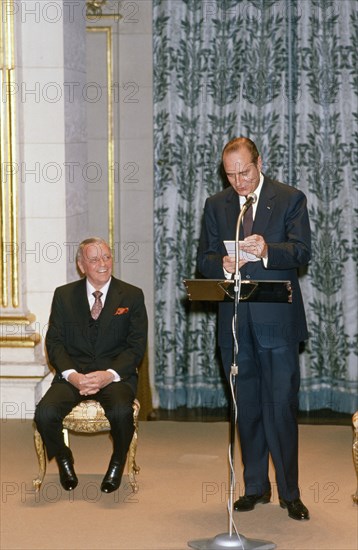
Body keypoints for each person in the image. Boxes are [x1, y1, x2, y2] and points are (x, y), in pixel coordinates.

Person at [197, 137, 311, 521]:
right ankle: (255, 487)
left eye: (244, 172)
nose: (239, 182)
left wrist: (266, 251)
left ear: (259, 163)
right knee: (245, 409)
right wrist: (225, 265)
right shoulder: (217, 205)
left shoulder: (290, 198)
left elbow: (301, 251)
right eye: (230, 175)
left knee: (280, 409)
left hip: (277, 324)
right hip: (234, 325)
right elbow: (205, 260)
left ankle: (290, 493)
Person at [35, 237, 148, 493]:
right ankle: (64, 458)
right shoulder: (63, 295)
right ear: (81, 265)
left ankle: (118, 462)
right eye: (94, 259)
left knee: (121, 413)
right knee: (44, 414)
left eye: (106, 257)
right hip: (73, 375)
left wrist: (109, 374)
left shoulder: (132, 295)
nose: (103, 264)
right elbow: (54, 342)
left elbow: (136, 346)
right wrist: (72, 375)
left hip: (115, 376)